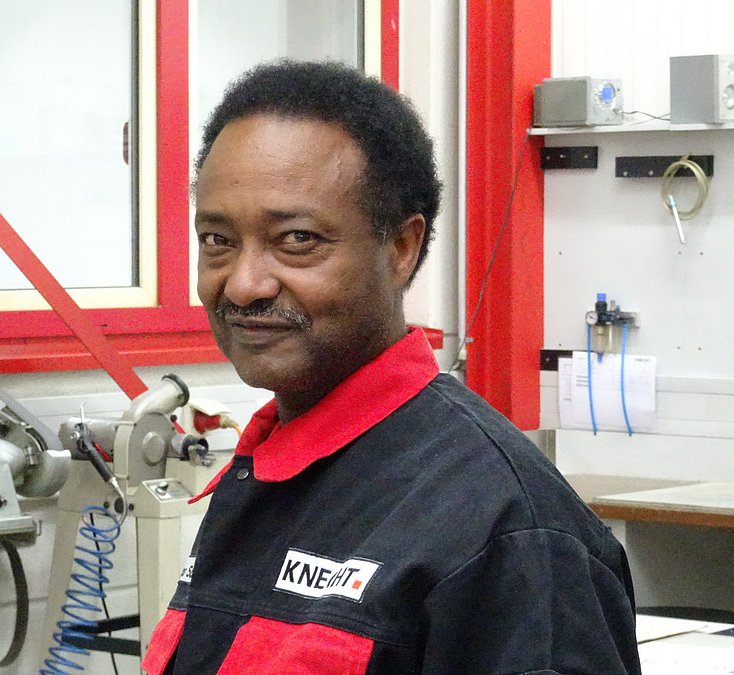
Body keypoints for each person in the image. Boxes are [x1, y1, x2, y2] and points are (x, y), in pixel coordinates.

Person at [142, 60, 641, 674]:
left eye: (296, 240)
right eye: (218, 241)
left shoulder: (510, 531)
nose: (243, 284)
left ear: (402, 248)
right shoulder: (265, 478)